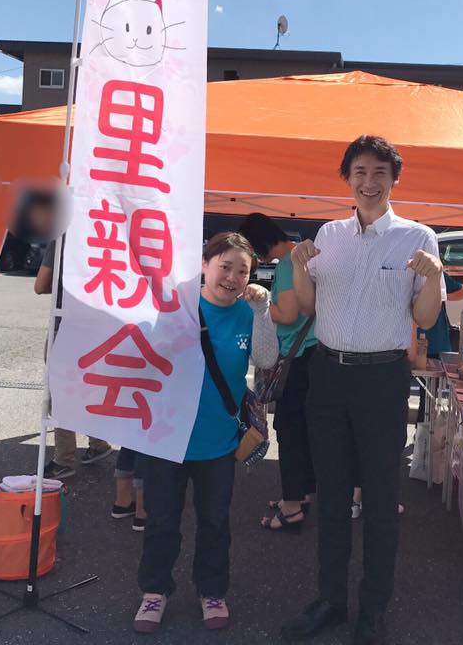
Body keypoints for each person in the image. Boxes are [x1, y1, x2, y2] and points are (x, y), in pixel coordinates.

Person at [281, 135, 445, 645]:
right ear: (347, 179)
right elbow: (309, 306)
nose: (369, 182)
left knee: (379, 496)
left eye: (379, 172)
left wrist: (434, 278)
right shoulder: (328, 234)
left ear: (395, 179)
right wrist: (298, 267)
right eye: (360, 172)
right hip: (328, 374)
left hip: (382, 378)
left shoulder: (418, 237)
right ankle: (330, 599)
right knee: (330, 493)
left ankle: (373, 607)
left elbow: (424, 318)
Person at [133, 232, 278, 635]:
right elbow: (141, 352)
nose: (232, 277)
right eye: (224, 266)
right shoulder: (174, 304)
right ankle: (154, 591)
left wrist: (263, 310)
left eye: (242, 271)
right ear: (204, 265)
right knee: (162, 521)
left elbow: (266, 358)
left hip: (217, 441)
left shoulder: (247, 312)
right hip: (166, 438)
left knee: (215, 522)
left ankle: (212, 591)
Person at [238, 212, 317, 533]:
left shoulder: (287, 264)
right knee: (304, 430)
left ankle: (292, 506)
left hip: (297, 357)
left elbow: (287, 315)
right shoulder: (304, 257)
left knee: (289, 430)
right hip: (313, 354)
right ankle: (300, 494)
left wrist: (256, 303)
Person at [35, 240, 112, 479]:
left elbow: (41, 285)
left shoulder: (62, 238)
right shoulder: (108, 234)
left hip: (66, 326)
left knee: (60, 393)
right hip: (100, 326)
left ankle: (64, 459)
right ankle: (98, 442)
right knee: (89, 388)